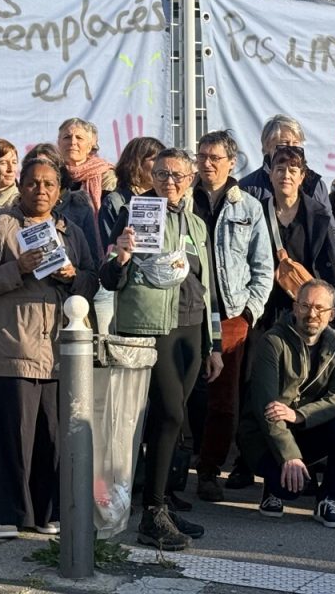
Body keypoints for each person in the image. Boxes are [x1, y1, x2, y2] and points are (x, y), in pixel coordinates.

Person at [0, 157, 99, 539]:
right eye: (33, 183)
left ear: (59, 191)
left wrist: (73, 275)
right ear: (21, 185)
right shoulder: (2, 225)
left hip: (60, 351)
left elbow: (92, 282)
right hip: (13, 347)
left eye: (48, 184)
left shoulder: (70, 230)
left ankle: (46, 513)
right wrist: (19, 268)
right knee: (12, 437)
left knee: (52, 439)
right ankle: (3, 513)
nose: (40, 190)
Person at [100, 147, 223, 551]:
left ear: (191, 181)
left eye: (177, 175)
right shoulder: (133, 214)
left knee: (172, 421)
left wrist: (214, 342)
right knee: (168, 413)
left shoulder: (197, 225)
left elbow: (210, 290)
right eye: (161, 174)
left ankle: (162, 505)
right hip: (153, 328)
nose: (169, 182)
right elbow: (108, 278)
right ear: (150, 176)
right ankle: (151, 513)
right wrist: (123, 255)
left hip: (191, 328)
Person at [236, 279, 335, 528]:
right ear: (294, 308)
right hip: (265, 436)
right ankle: (273, 489)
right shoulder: (272, 342)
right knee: (292, 491)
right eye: (305, 306)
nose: (311, 314)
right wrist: (290, 456)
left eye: (319, 308)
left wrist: (300, 415)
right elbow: (267, 408)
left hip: (305, 427)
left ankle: (327, 499)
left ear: (332, 314)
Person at [190, 131, 274, 503]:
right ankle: (177, 467)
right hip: (184, 312)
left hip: (229, 316)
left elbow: (264, 266)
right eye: (201, 156)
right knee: (183, 395)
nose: (206, 164)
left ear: (231, 163)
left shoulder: (249, 207)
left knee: (223, 400)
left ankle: (209, 470)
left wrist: (249, 314)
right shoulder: (182, 201)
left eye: (214, 158)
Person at [261, 145, 335, 327]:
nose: (286, 176)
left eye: (293, 170)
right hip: (267, 310)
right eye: (280, 170)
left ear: (302, 177)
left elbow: (330, 265)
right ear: (271, 175)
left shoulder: (318, 215)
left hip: (308, 311)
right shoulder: (257, 212)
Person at [96, 136, 165, 335]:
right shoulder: (116, 200)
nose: (160, 165)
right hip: (123, 289)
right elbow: (110, 251)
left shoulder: (166, 199)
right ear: (136, 163)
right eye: (154, 159)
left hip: (155, 288)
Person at [239, 114, 335, 245]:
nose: (291, 148)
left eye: (296, 143)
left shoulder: (314, 184)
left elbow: (331, 233)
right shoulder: (248, 187)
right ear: (267, 147)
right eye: (284, 143)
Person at [56, 117, 116, 215]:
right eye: (67, 137)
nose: (72, 142)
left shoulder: (105, 174)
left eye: (79, 138)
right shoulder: (52, 172)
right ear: (59, 143)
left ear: (89, 147)